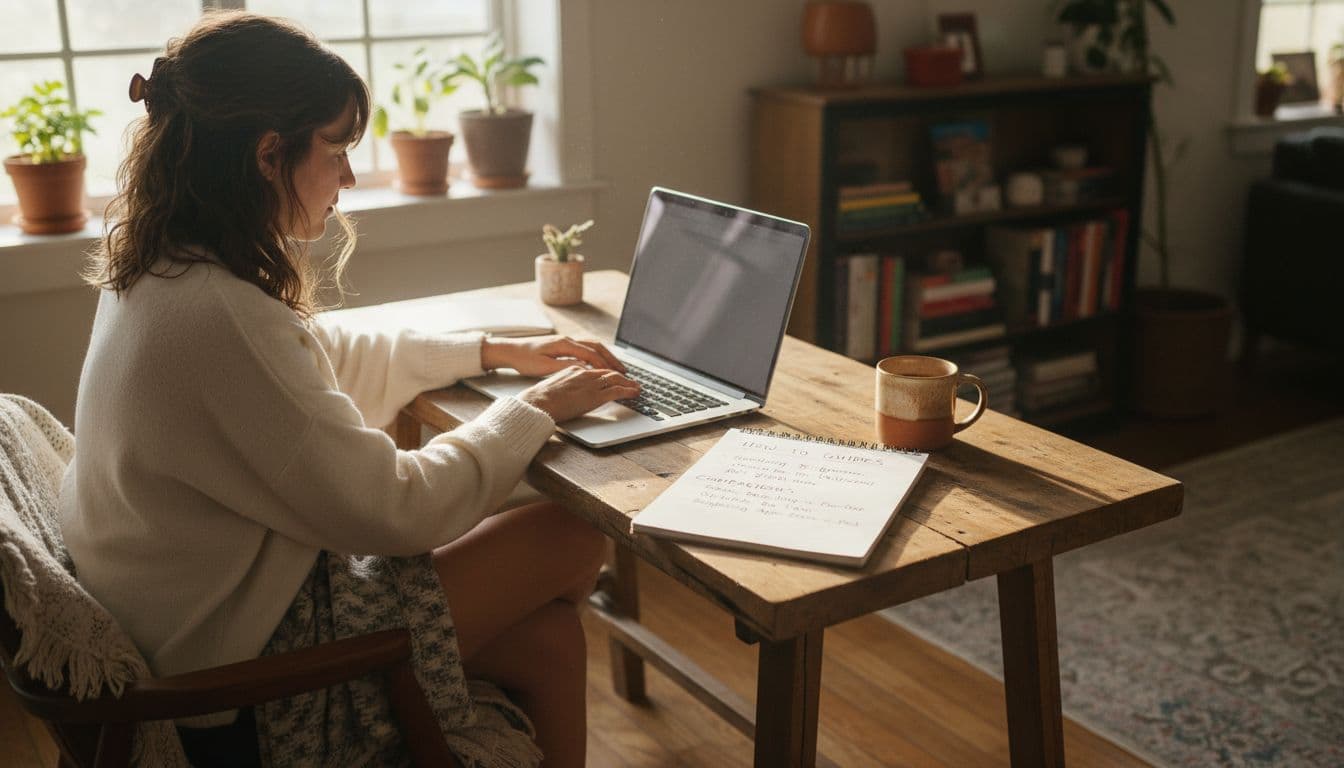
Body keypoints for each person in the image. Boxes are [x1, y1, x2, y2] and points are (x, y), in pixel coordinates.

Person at [58, 10, 638, 767]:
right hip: (240, 681)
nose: (350, 176)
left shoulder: (168, 266)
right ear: (270, 155)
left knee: (551, 639)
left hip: (213, 618)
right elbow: (398, 509)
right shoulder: (216, 315)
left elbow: (310, 359)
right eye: (337, 151)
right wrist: (534, 409)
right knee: (569, 536)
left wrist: (490, 351)